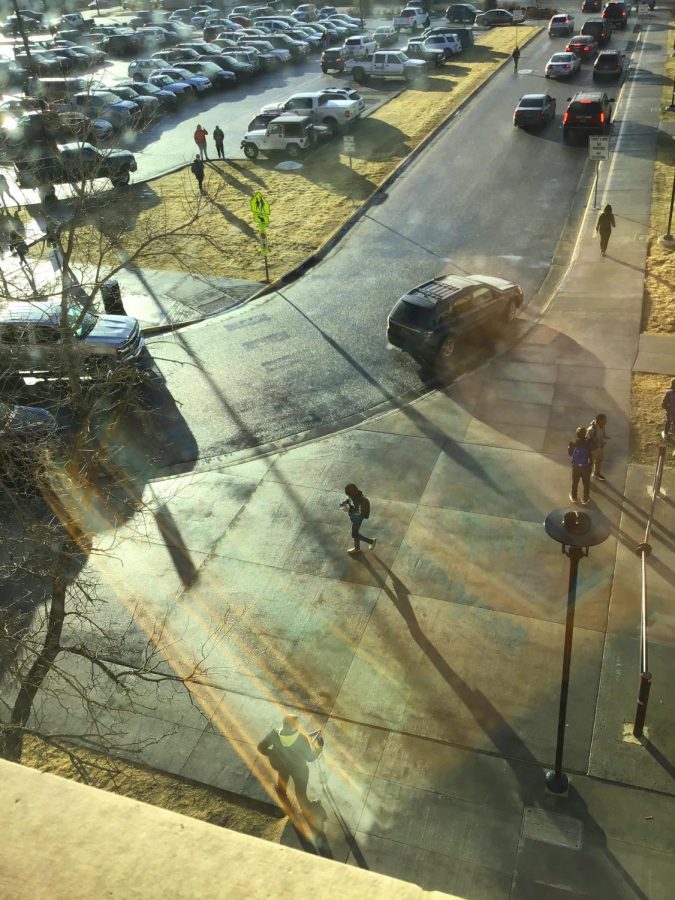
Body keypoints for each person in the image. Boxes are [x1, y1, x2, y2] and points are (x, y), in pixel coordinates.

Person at [257, 715, 323, 814]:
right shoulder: (301, 739)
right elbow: (310, 758)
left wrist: (272, 753)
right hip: (299, 770)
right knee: (300, 792)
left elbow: (261, 747)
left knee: (282, 782)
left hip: (282, 766)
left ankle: (283, 797)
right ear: (293, 727)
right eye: (297, 724)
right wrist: (319, 748)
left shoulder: (274, 734)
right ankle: (306, 808)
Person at [341, 483, 376, 554]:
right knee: (356, 533)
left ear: (352, 493)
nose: (348, 496)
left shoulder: (362, 501)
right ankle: (357, 548)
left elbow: (359, 514)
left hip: (357, 520)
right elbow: (348, 502)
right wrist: (344, 505)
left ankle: (371, 541)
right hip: (354, 518)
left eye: (349, 495)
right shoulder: (353, 497)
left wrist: (349, 509)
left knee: (354, 534)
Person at [568, 426, 592, 506]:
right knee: (586, 484)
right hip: (585, 467)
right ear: (585, 434)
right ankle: (585, 498)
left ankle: (574, 497)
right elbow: (591, 453)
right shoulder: (588, 442)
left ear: (577, 434)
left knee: (575, 482)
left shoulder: (573, 442)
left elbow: (570, 453)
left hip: (576, 467)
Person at [586, 413, 609, 481]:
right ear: (599, 421)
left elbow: (603, 434)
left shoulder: (603, 426)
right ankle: (586, 476)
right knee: (591, 463)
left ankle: (596, 473)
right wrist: (596, 445)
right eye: (604, 420)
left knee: (599, 460)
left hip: (600, 447)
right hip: (593, 450)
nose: (606, 421)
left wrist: (606, 438)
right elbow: (587, 439)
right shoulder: (591, 429)